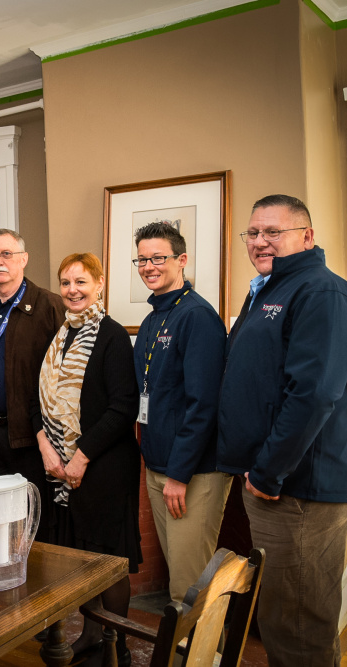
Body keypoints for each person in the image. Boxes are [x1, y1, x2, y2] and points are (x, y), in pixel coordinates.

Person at [218, 195, 347, 667]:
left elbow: (313, 395)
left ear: (306, 236)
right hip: (273, 486)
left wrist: (266, 473)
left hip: (298, 491)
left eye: (273, 232)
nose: (260, 241)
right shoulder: (269, 289)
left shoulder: (321, 292)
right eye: (253, 233)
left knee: (300, 625)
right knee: (283, 616)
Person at [36, 252, 140, 667]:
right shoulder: (62, 335)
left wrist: (80, 457)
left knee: (109, 562)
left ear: (99, 284)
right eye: (65, 283)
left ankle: (121, 647)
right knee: (82, 561)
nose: (72, 291)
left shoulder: (111, 336)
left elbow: (123, 407)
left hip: (104, 468)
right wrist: (46, 445)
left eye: (81, 282)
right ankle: (93, 636)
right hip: (62, 466)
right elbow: (40, 396)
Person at [131, 222, 231, 603]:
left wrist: (178, 473)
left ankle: (202, 658)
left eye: (158, 257)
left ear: (181, 260)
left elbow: (203, 405)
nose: (148, 266)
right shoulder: (154, 317)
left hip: (192, 472)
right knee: (180, 577)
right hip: (160, 466)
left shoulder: (197, 317)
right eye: (142, 259)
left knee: (189, 588)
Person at [0, 229, 65, 540]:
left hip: (31, 438)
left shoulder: (49, 306)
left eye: (7, 254)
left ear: (23, 260)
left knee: (33, 525)